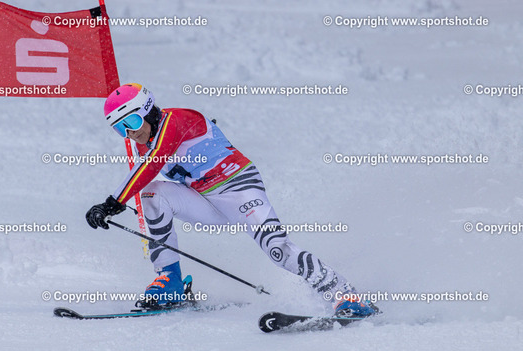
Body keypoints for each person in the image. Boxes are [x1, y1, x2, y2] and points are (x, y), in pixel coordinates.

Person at [86, 83, 377, 317]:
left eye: (133, 121)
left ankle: (346, 296)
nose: (131, 132)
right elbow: (145, 173)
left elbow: (152, 164)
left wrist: (112, 203)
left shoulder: (176, 120)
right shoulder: (145, 142)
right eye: (120, 129)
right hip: (207, 201)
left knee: (278, 249)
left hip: (239, 189)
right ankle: (170, 281)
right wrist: (119, 201)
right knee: (152, 193)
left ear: (149, 111)